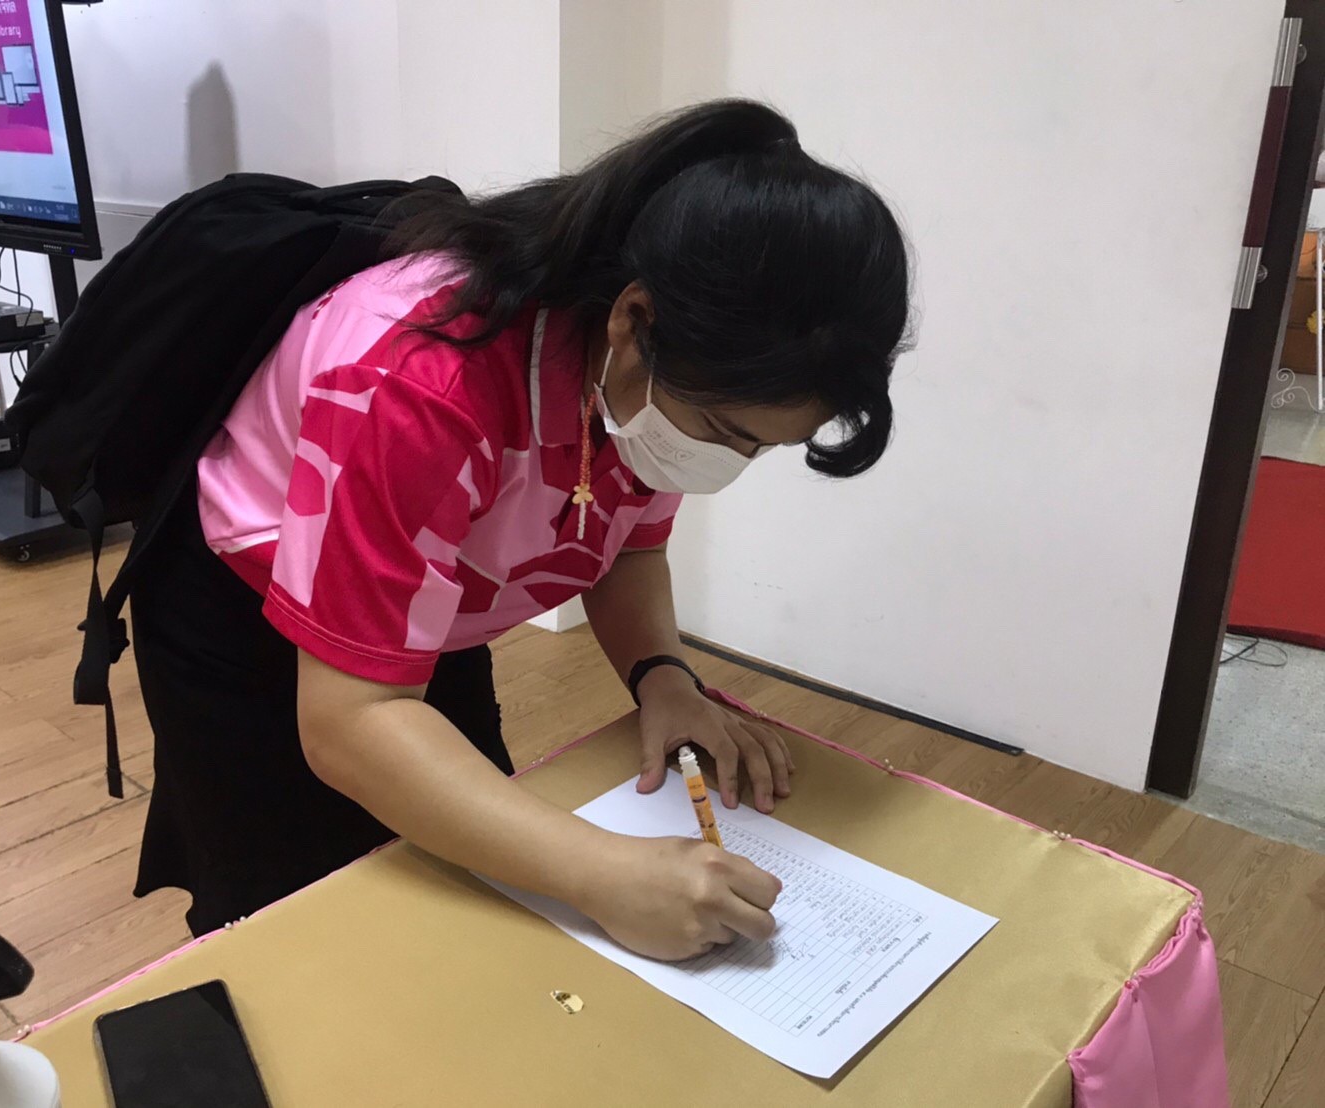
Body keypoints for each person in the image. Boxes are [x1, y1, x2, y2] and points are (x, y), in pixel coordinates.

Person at [129, 99, 911, 958]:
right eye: (727, 432)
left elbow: (628, 542)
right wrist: (604, 872)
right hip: (249, 613)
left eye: (760, 447)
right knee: (290, 923)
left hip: (427, 607)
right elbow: (351, 722)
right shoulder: (419, 382)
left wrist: (663, 676)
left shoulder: (643, 378)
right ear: (633, 322)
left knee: (464, 881)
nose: (729, 461)